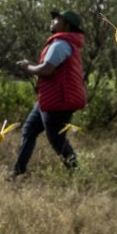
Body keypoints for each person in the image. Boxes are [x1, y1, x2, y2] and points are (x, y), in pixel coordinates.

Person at [11, 9, 86, 178]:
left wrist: (27, 67)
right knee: (29, 130)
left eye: (57, 19)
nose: (52, 21)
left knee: (57, 141)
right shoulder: (64, 43)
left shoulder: (61, 44)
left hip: (57, 102)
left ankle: (78, 176)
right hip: (48, 100)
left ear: (66, 25)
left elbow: (46, 70)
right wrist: (31, 65)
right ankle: (17, 172)